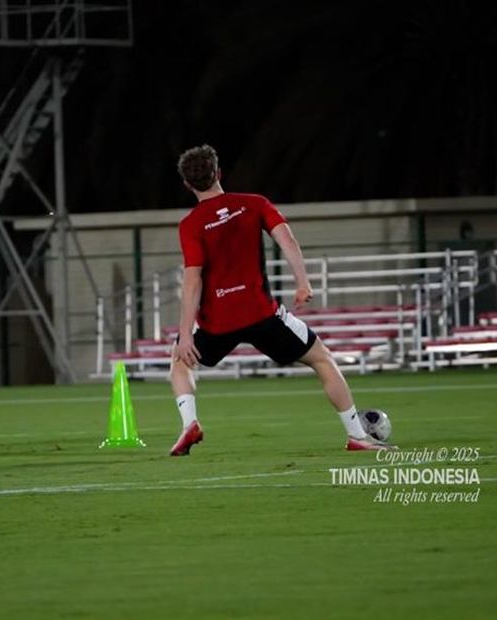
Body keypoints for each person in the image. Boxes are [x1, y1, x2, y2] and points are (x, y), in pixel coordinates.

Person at [168, 145, 392, 456]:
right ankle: (357, 436)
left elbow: (193, 280)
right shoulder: (254, 204)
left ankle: (190, 424)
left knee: (180, 363)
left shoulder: (190, 224)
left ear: (187, 185)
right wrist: (302, 282)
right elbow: (286, 238)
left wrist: (183, 335)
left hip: (217, 323)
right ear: (219, 173)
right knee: (322, 359)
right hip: (262, 315)